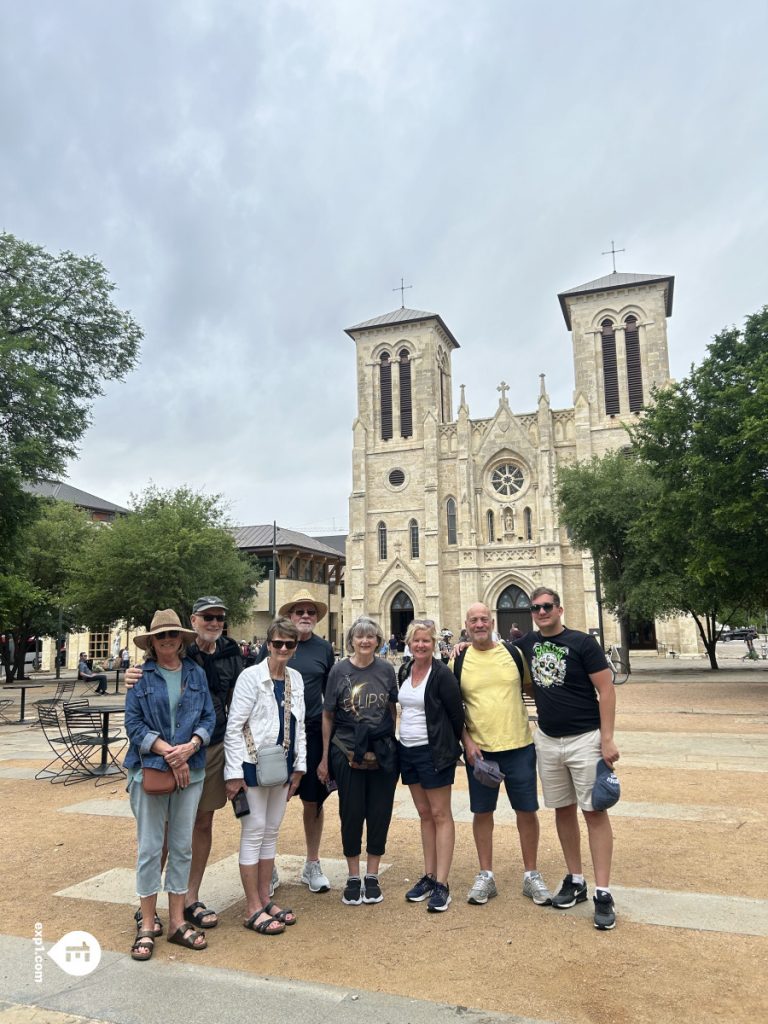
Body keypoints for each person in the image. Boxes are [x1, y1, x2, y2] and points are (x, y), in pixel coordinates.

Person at [125, 595, 245, 930]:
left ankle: (189, 898)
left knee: (199, 824)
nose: (214, 622)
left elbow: (236, 697)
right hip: (163, 756)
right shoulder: (169, 661)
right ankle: (148, 906)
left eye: (219, 617)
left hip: (210, 747)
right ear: (193, 622)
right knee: (160, 835)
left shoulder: (231, 652)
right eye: (207, 617)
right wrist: (129, 677)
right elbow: (134, 717)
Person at [515, 588, 619, 930]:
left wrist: (606, 738)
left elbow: (606, 689)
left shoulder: (582, 643)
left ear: (559, 609)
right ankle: (576, 880)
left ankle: (603, 891)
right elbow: (501, 659)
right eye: (536, 607)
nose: (542, 611)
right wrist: (462, 647)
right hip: (547, 740)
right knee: (563, 809)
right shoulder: (526, 643)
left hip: (585, 739)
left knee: (594, 811)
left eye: (547, 606)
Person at [123, 609, 215, 961]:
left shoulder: (195, 673)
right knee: (150, 847)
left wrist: (190, 746)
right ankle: (147, 922)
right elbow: (133, 724)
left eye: (172, 635)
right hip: (150, 769)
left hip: (189, 770)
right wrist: (168, 752)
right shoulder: (140, 678)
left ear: (181, 638)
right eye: (160, 637)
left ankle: (176, 920)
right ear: (152, 642)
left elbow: (207, 716)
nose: (167, 641)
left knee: (181, 846)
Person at [452, 602, 551, 907]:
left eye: (484, 619)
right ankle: (486, 875)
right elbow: (453, 709)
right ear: (467, 625)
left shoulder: (513, 653)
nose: (479, 624)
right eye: (474, 620)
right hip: (481, 751)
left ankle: (531, 874)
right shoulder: (458, 659)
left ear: (492, 621)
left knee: (526, 811)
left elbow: (536, 689)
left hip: (519, 745)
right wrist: (466, 743)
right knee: (482, 813)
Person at [224, 617, 306, 935]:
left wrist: (300, 767)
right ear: (267, 645)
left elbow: (298, 726)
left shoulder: (295, 679)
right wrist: (232, 776)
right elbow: (234, 727)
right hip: (250, 765)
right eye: (278, 643)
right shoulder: (250, 678)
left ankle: (264, 899)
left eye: (290, 644)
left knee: (271, 832)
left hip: (282, 765)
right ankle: (252, 907)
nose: (283, 648)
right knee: (254, 831)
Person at [255, 589, 336, 894]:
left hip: (311, 733)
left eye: (310, 612)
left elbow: (330, 698)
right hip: (275, 735)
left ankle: (312, 863)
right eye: (299, 611)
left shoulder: (323, 649)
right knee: (268, 799)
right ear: (289, 616)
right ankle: (267, 865)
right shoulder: (274, 646)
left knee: (313, 801)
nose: (305, 616)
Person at [318, 616, 399, 906]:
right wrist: (326, 756)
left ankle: (372, 875)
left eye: (371, 637)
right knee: (351, 812)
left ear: (379, 640)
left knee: (379, 812)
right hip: (346, 750)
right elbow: (328, 715)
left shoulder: (387, 670)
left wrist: (386, 744)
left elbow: (391, 709)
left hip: (381, 752)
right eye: (359, 636)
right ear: (351, 640)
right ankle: (354, 876)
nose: (365, 641)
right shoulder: (339, 671)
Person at [397, 619, 464, 912]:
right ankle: (429, 874)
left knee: (440, 813)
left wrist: (463, 745)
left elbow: (455, 714)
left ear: (434, 643)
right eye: (416, 640)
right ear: (409, 643)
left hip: (434, 751)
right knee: (424, 814)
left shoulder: (442, 675)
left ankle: (443, 884)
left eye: (426, 640)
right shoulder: (404, 670)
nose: (421, 645)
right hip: (407, 750)